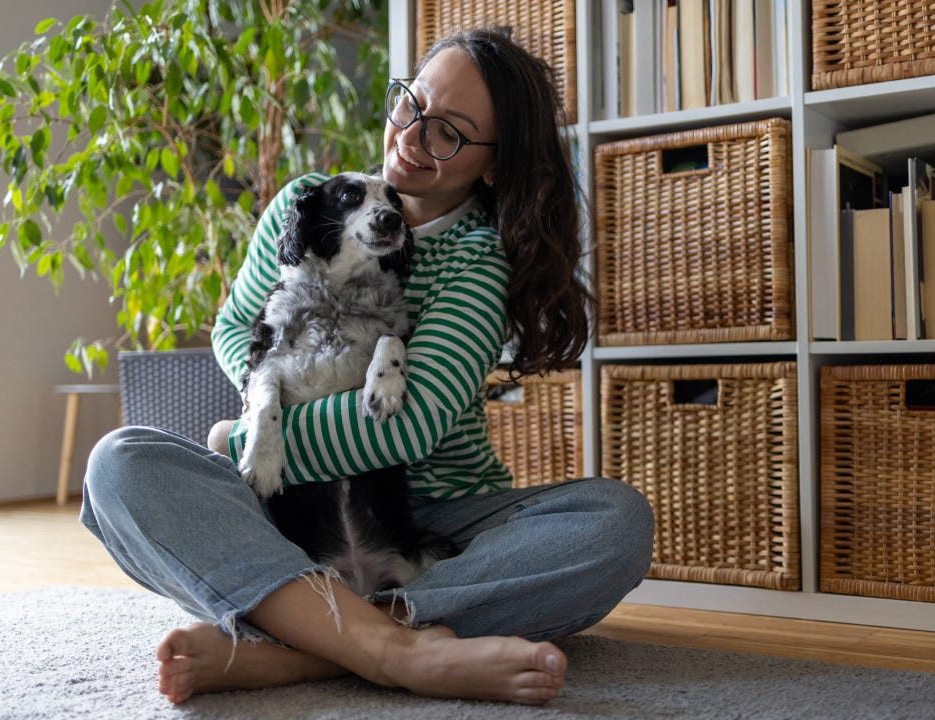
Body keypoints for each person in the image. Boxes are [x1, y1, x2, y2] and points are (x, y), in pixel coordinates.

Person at [80, 27, 654, 707]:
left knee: (615, 522)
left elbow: (403, 433)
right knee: (120, 465)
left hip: (429, 517)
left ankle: (310, 648)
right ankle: (392, 646)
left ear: (495, 165)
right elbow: (237, 327)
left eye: (448, 132)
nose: (411, 135)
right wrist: (261, 419)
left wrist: (245, 440)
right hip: (287, 507)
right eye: (410, 104)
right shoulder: (311, 204)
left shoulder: (475, 261)